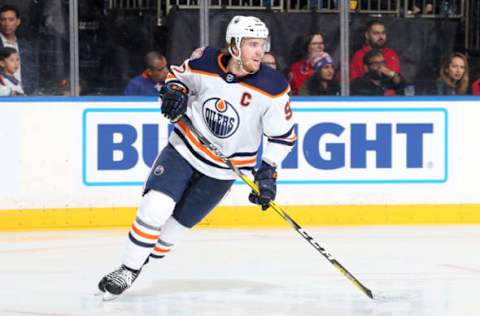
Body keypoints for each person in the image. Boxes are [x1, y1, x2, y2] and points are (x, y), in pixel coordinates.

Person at [98, 15, 296, 300]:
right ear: (234, 46)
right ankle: (127, 270)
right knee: (154, 208)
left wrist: (267, 172)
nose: (259, 51)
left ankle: (139, 263)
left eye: (262, 44)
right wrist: (174, 92)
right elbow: (177, 78)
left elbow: (282, 136)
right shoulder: (205, 61)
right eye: (252, 44)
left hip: (224, 172)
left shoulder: (273, 86)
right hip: (184, 150)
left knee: (168, 236)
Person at [0, 5, 36, 95]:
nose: (7, 23)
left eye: (11, 19)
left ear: (18, 22)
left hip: (25, 97)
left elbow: (33, 73)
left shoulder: (26, 46)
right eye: (3, 19)